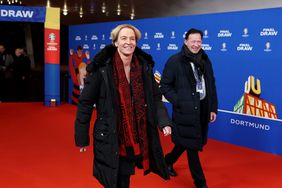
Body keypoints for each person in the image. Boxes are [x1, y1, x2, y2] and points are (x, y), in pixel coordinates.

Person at [74, 24, 172, 188]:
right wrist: (82, 137)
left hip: (134, 137)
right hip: (110, 134)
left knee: (123, 179)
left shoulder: (143, 67)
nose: (128, 42)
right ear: (116, 43)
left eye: (132, 39)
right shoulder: (102, 69)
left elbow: (155, 97)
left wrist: (163, 121)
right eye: (124, 38)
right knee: (113, 179)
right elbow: (85, 103)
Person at [160, 28, 218, 188]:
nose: (196, 44)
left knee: (185, 141)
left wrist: (213, 107)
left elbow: (211, 84)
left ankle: (167, 161)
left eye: (199, 41)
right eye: (193, 41)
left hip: (202, 109)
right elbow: (164, 85)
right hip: (184, 111)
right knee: (192, 147)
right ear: (186, 41)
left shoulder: (205, 60)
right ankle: (201, 183)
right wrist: (178, 101)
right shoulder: (175, 61)